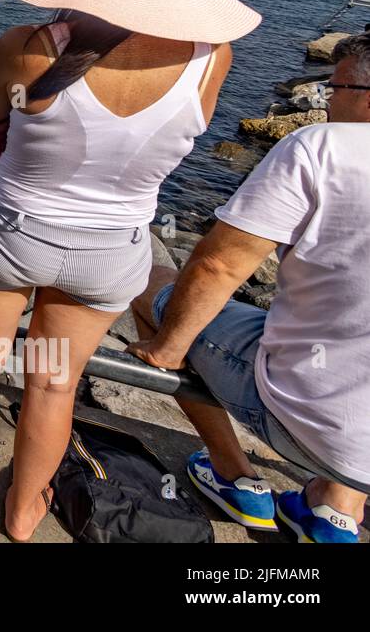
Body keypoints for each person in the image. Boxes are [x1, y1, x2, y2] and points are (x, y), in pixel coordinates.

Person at [0, 0, 261, 541]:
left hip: (10, 234)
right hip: (111, 253)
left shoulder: (30, 46)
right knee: (55, 385)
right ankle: (25, 513)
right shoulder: (212, 60)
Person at [127, 33, 370, 543]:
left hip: (312, 424)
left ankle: (235, 475)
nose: (326, 101)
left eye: (334, 88)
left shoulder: (322, 148)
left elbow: (219, 266)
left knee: (142, 279)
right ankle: (334, 508)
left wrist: (169, 348)